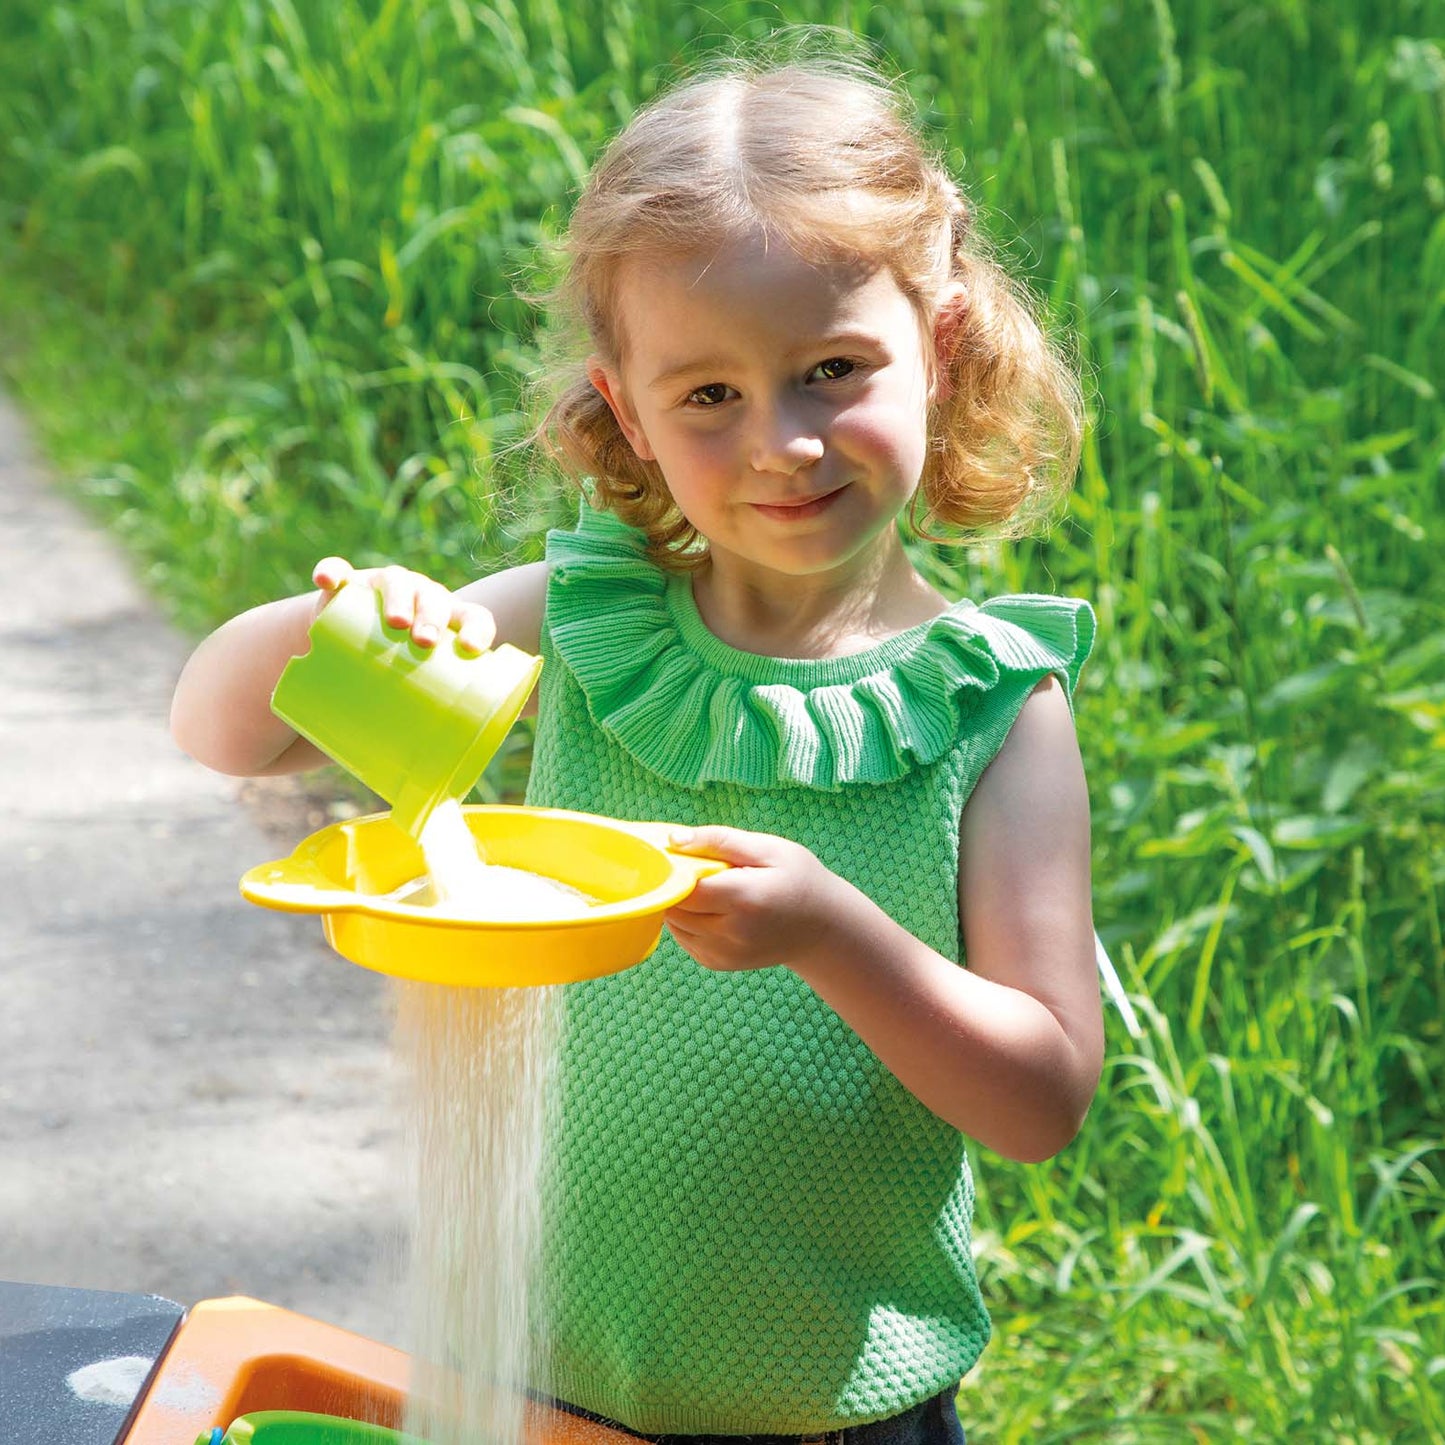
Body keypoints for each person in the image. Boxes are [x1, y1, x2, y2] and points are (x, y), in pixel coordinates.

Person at [172, 53, 1103, 1445]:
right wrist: (349, 621)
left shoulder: (990, 708)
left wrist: (832, 934)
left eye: (830, 371)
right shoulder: (588, 617)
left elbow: (1039, 1100)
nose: (782, 443)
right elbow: (223, 732)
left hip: (835, 1414)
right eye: (708, 395)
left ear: (942, 346)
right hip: (535, 1373)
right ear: (626, 410)